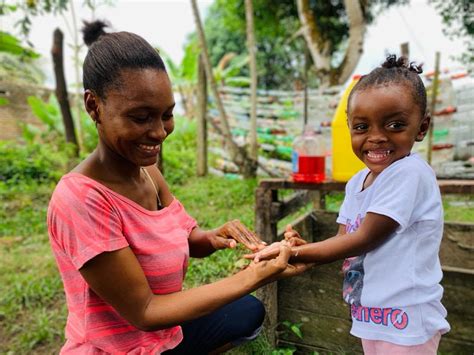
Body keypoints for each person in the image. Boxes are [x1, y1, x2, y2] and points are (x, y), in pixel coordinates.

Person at [47, 20, 311, 354]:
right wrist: (255, 276)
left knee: (245, 312)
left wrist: (214, 237)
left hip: (162, 335)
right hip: (119, 347)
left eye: (166, 115)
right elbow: (145, 311)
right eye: (141, 118)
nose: (159, 132)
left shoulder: (148, 173)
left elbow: (186, 237)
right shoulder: (81, 199)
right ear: (93, 106)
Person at [248, 55, 450, 354]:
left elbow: (365, 238)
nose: (376, 138)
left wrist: (293, 252)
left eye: (395, 125)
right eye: (361, 127)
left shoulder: (410, 173)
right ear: (349, 128)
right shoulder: (357, 182)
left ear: (421, 128)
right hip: (373, 315)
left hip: (407, 320)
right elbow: (345, 241)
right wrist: (307, 250)